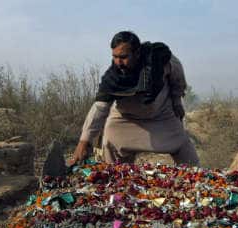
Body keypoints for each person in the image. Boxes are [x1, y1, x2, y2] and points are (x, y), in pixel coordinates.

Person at [70, 31, 200, 165]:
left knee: (183, 146)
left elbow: (177, 78)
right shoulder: (112, 78)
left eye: (123, 57)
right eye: (115, 57)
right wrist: (84, 142)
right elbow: (100, 108)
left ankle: (198, 181)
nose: (118, 62)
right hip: (125, 119)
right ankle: (117, 180)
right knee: (110, 139)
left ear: (137, 53)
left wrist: (177, 101)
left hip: (161, 116)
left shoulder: (159, 59)